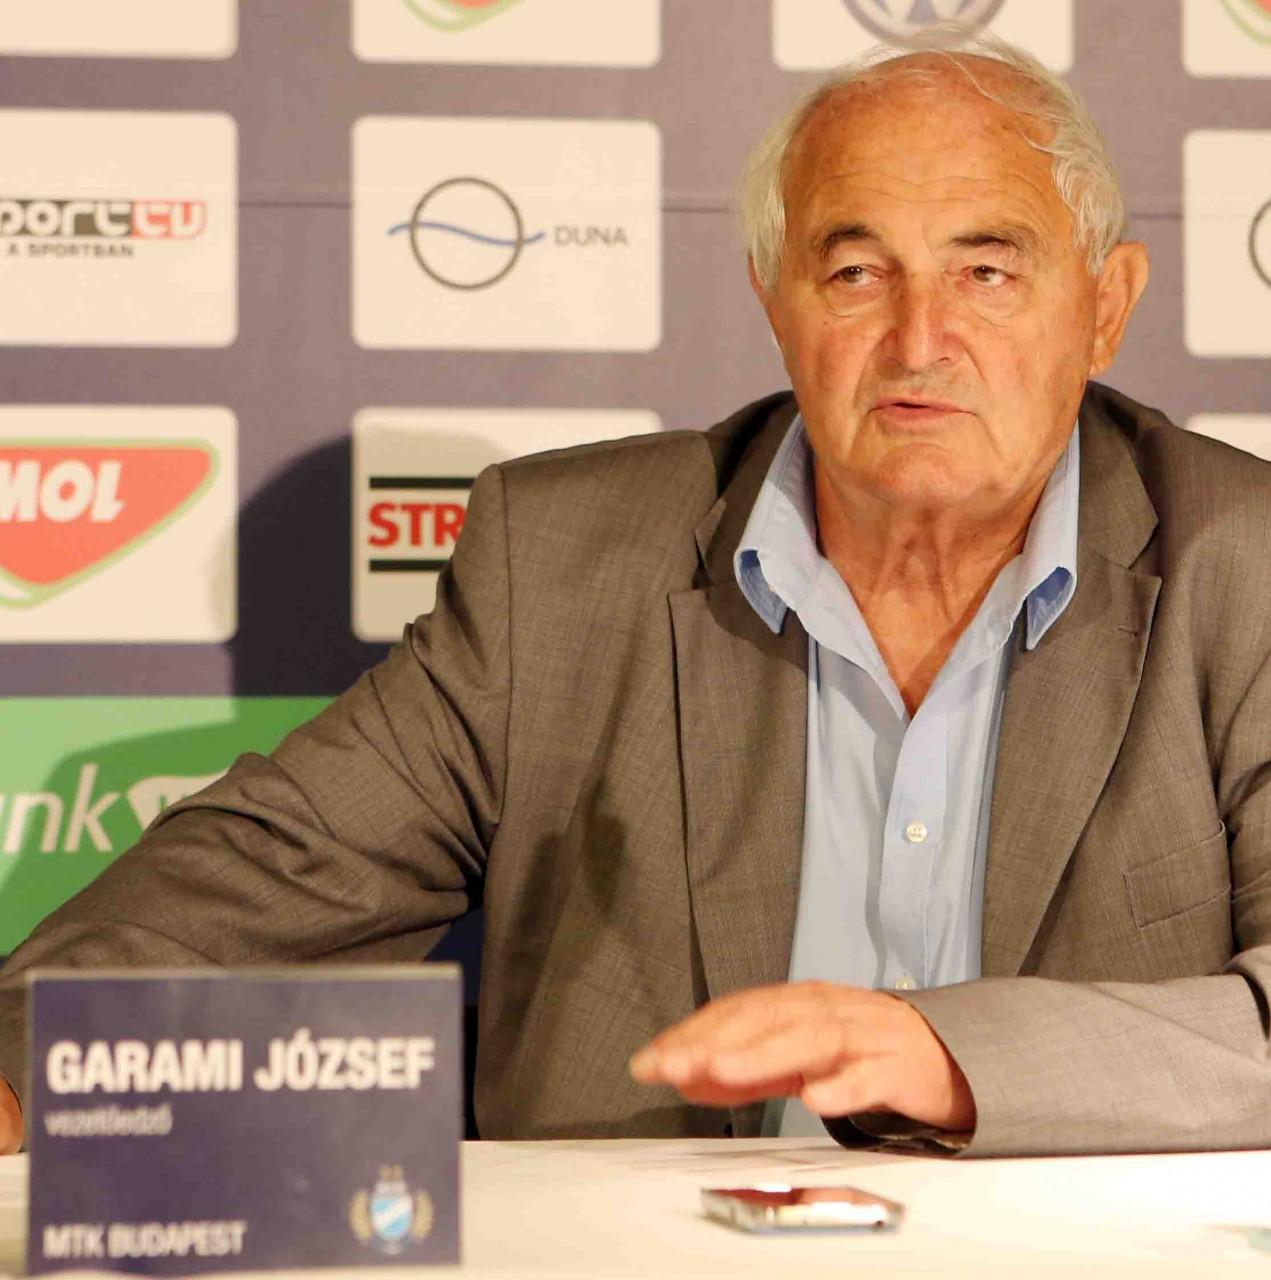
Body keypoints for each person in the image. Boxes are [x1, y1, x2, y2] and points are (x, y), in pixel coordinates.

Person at [3, 33, 1270, 1159]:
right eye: (853, 272)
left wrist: (947, 1058)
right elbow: (266, 875)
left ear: (1103, 308)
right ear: (774, 305)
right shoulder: (560, 566)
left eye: (985, 271)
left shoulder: (1244, 567)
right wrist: (19, 1061)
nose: (918, 338)